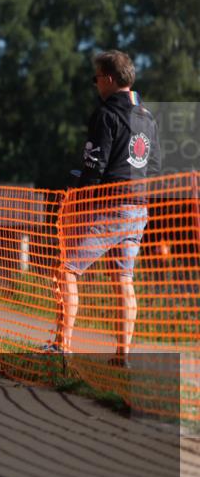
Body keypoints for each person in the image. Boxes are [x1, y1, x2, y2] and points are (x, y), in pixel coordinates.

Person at [46, 50, 160, 367]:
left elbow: (94, 166)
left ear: (108, 78)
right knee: (123, 280)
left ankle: (62, 345)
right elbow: (154, 167)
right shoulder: (147, 116)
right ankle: (122, 355)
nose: (95, 84)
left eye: (96, 78)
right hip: (139, 208)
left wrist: (76, 195)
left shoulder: (107, 114)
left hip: (109, 206)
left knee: (66, 269)